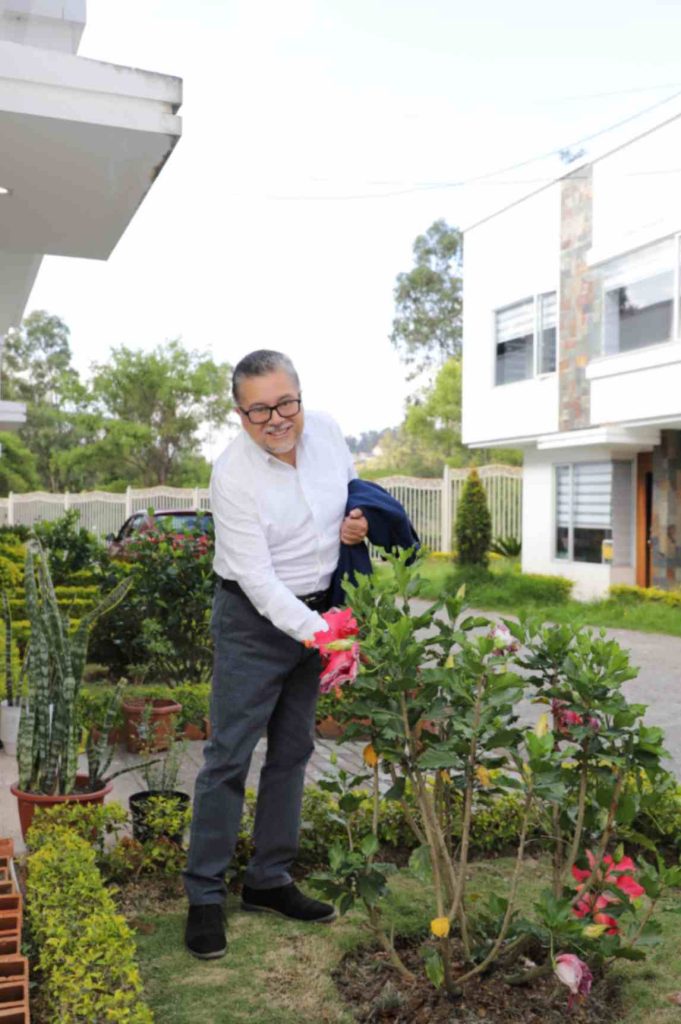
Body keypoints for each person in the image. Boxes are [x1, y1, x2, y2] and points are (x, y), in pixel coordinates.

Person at [183, 349, 368, 959]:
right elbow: (259, 582)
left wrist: (352, 526)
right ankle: (204, 894)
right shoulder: (232, 475)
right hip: (252, 621)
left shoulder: (331, 434)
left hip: (319, 609)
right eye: (259, 409)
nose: (277, 419)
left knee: (293, 751)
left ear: (300, 397)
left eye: (285, 403)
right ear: (240, 414)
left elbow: (344, 500)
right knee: (228, 756)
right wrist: (325, 636)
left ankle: (268, 880)